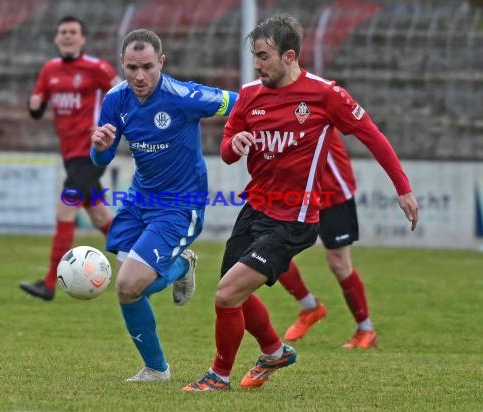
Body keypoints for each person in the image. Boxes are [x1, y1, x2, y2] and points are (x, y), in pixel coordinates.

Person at [182, 14, 418, 392]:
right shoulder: (248, 96)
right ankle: (274, 352)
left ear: (289, 56)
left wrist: (402, 188)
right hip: (255, 208)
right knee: (233, 294)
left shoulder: (325, 95)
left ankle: (218, 377)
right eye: (255, 56)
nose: (257, 65)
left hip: (294, 218)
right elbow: (227, 151)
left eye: (264, 56)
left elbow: (371, 135)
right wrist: (235, 144)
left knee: (227, 294)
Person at [90, 28, 237, 382]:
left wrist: (247, 129)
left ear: (161, 62)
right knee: (128, 291)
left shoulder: (183, 95)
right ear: (122, 65)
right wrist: (99, 146)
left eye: (147, 67)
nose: (139, 76)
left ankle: (180, 267)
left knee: (127, 284)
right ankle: (156, 369)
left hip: (180, 204)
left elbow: (240, 102)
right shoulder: (115, 99)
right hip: (140, 199)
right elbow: (101, 160)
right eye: (131, 68)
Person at [19, 16, 121, 301]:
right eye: (62, 32)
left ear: (82, 39)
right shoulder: (49, 70)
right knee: (100, 215)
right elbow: (36, 109)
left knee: (65, 211)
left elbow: (125, 96)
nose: (67, 36)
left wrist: (106, 124)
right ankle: (153, 260)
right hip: (69, 155)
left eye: (73, 32)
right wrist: (34, 105)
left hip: (90, 154)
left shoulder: (97, 68)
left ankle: (50, 283)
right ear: (56, 38)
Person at [279, 129, 377, 349]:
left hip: (332, 192)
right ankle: (309, 307)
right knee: (271, 251)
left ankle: (365, 329)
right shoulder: (269, 98)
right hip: (296, 192)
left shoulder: (320, 97)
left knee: (339, 263)